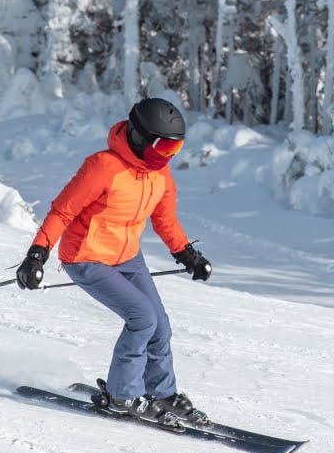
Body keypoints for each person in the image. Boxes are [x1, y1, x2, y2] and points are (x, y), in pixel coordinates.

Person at [15, 97, 214, 426]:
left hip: (127, 257)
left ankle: (161, 391)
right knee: (142, 318)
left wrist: (187, 255)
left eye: (174, 150)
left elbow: (165, 221)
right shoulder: (103, 167)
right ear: (139, 136)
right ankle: (122, 395)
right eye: (162, 147)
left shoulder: (159, 175)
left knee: (159, 325)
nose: (166, 156)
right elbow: (63, 210)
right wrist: (37, 254)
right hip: (86, 256)